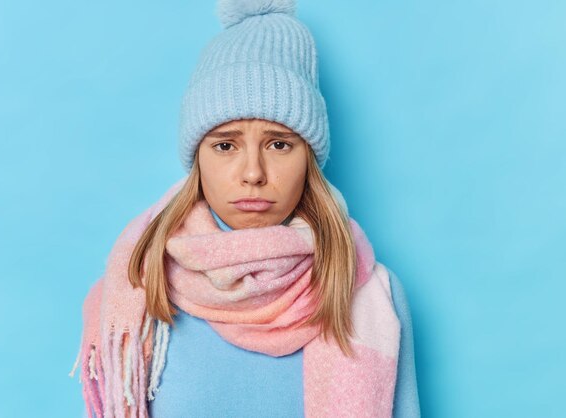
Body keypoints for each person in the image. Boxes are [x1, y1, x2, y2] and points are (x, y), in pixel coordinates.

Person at [69, 1, 421, 417]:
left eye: (278, 144)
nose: (253, 172)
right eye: (225, 145)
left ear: (308, 158)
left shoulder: (369, 293)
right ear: (198, 158)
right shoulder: (139, 287)